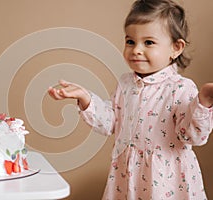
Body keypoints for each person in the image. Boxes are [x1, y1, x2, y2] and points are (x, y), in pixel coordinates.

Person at [48, 0, 213, 199]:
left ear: (175, 48)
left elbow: (192, 136)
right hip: (127, 177)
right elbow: (110, 123)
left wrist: (203, 104)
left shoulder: (180, 88)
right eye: (130, 41)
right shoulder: (126, 83)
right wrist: (85, 98)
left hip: (166, 181)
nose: (136, 50)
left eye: (149, 42)